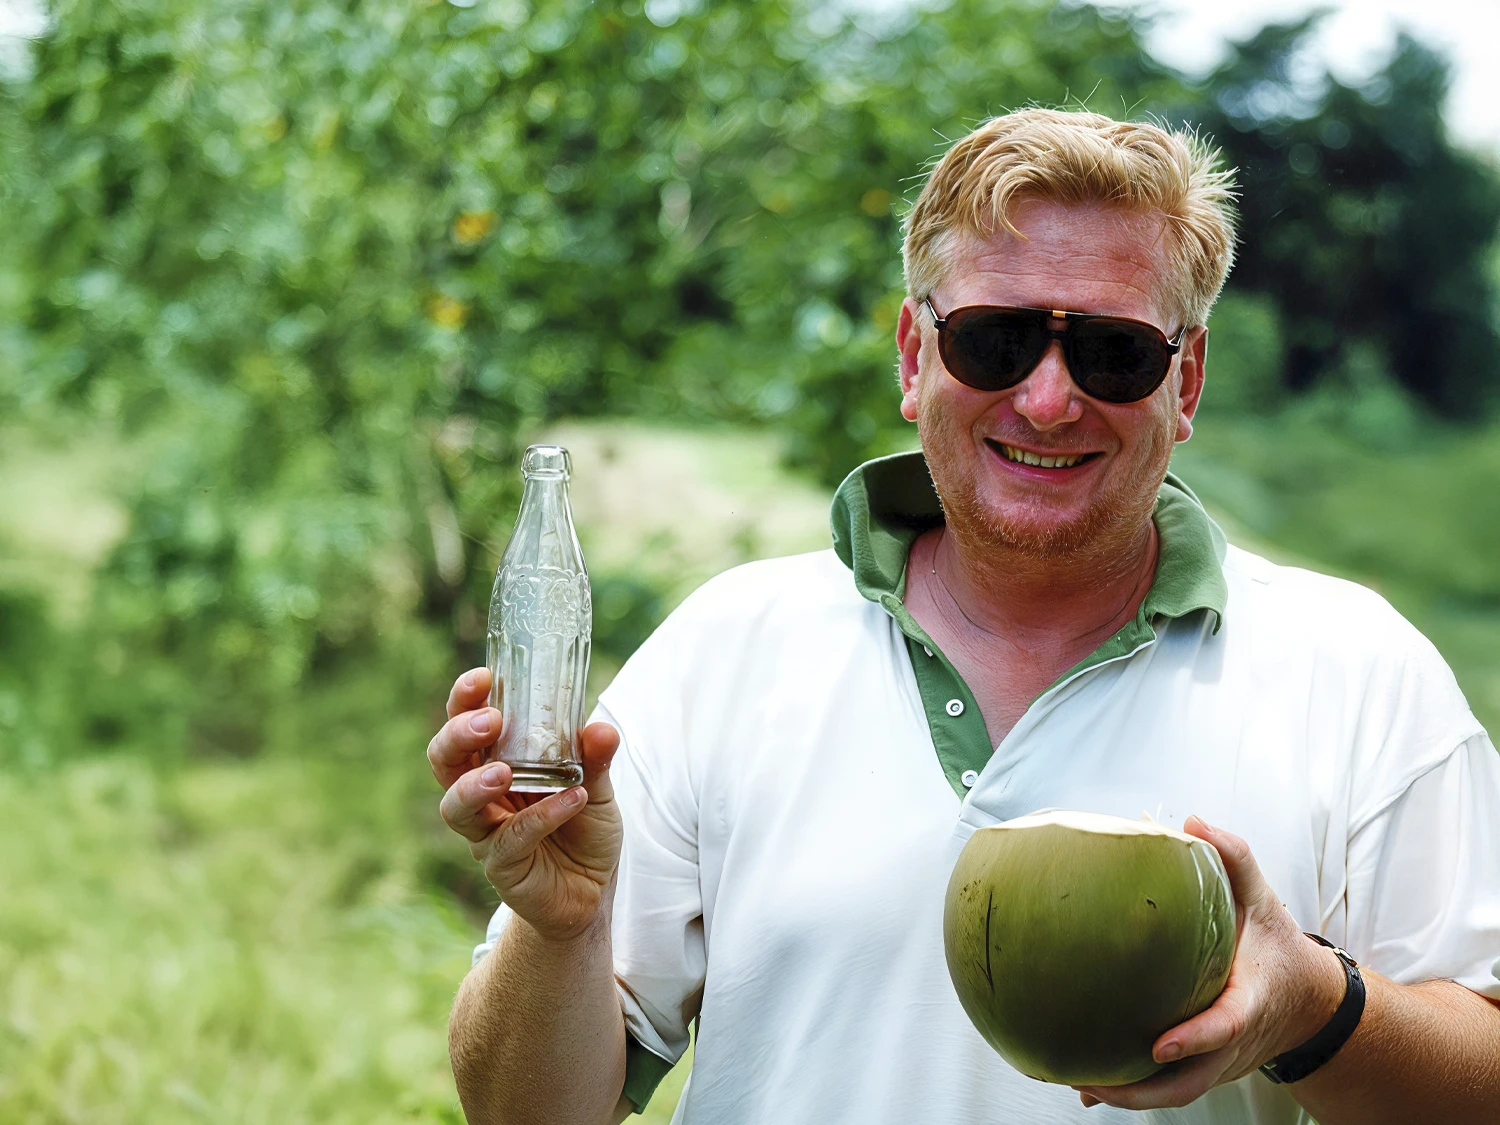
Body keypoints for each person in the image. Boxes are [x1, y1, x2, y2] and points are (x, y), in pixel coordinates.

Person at [429, 109, 1500, 1125]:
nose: (1047, 399)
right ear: (912, 355)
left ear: (1188, 382)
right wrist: (557, 928)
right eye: (994, 341)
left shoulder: (1356, 674)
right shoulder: (729, 649)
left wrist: (1315, 1007)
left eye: (1114, 354)